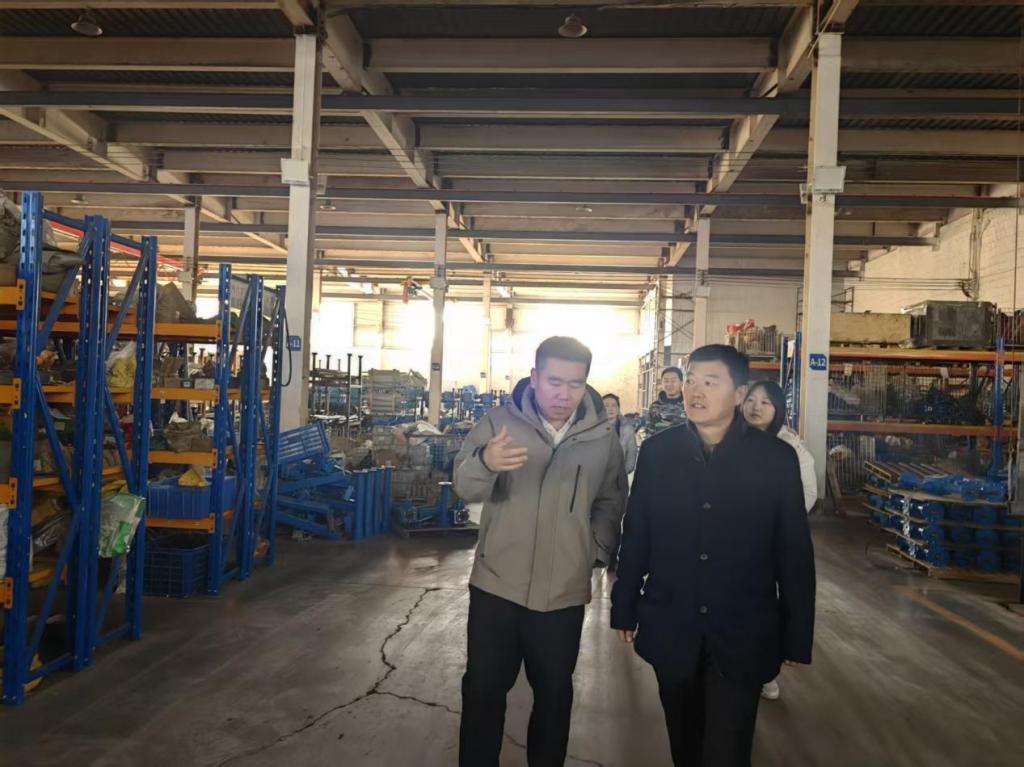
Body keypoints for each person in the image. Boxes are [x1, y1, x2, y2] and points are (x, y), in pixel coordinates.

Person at [611, 344, 816, 767]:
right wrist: (624, 604)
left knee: (727, 750)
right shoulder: (658, 453)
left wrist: (797, 632)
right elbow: (638, 532)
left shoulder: (775, 460)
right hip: (672, 624)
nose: (695, 391)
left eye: (710, 382)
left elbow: (793, 551)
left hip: (743, 631)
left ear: (739, 394)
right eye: (690, 381)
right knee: (685, 745)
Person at [454, 336, 627, 767]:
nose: (563, 394)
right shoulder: (498, 424)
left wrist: (593, 551)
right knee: (483, 692)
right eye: (553, 382)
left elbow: (611, 499)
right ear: (534, 378)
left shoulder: (601, 437)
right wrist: (485, 462)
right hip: (497, 587)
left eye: (574, 384)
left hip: (562, 593)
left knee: (553, 696)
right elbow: (463, 486)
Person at [741, 379, 817, 703]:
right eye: (751, 400)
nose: (756, 407)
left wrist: (778, 520)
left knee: (765, 605)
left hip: (770, 541)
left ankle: (765, 672)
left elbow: (807, 493)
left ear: (778, 410)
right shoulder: (728, 441)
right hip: (733, 539)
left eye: (765, 402)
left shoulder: (790, 448)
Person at [602, 393, 639, 475]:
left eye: (614, 405)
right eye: (606, 406)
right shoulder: (593, 428)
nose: (610, 409)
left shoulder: (627, 428)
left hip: (619, 474)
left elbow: (632, 452)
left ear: (618, 409)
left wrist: (624, 472)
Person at [647, 366, 686, 434]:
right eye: (666, 381)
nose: (669, 384)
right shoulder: (655, 407)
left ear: (681, 382)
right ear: (662, 383)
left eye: (673, 381)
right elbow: (649, 432)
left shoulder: (690, 405)